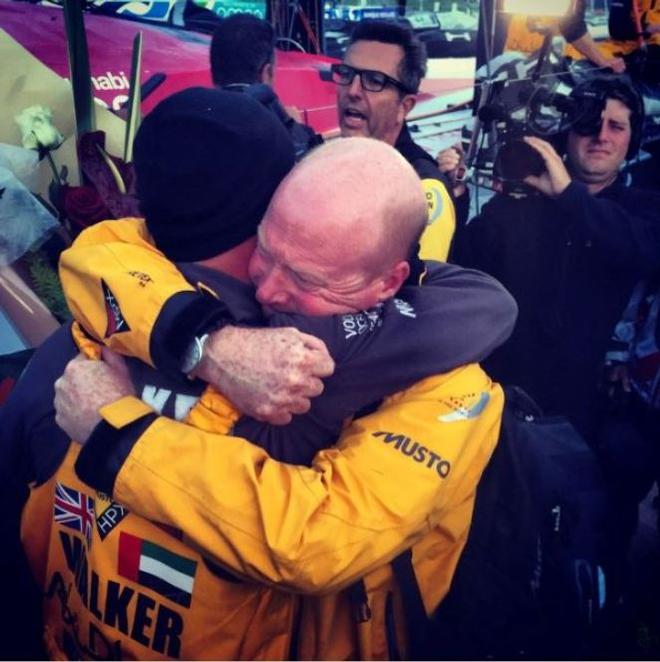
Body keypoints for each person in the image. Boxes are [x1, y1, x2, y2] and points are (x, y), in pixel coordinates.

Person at [3, 88, 514, 659]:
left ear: (388, 283)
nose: (269, 290)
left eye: (306, 280)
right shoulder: (148, 292)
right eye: (265, 252)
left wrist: (115, 432)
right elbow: (101, 250)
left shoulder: (449, 385)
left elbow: (319, 541)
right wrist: (208, 341)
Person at [448, 75, 660, 442]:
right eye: (589, 124)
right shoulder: (520, 203)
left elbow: (642, 250)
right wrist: (457, 196)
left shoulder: (641, 210)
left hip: (589, 417)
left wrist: (567, 194)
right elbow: (461, 269)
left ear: (633, 138)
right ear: (568, 132)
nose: (601, 137)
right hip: (503, 406)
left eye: (616, 126)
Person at [331, 19, 458, 261]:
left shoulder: (423, 190)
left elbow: (417, 295)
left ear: (405, 106)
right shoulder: (329, 162)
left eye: (374, 81)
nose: (353, 90)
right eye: (347, 74)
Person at [211, 12, 322, 160]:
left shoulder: (188, 125)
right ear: (267, 72)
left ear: (214, 73)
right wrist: (296, 129)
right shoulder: (283, 136)